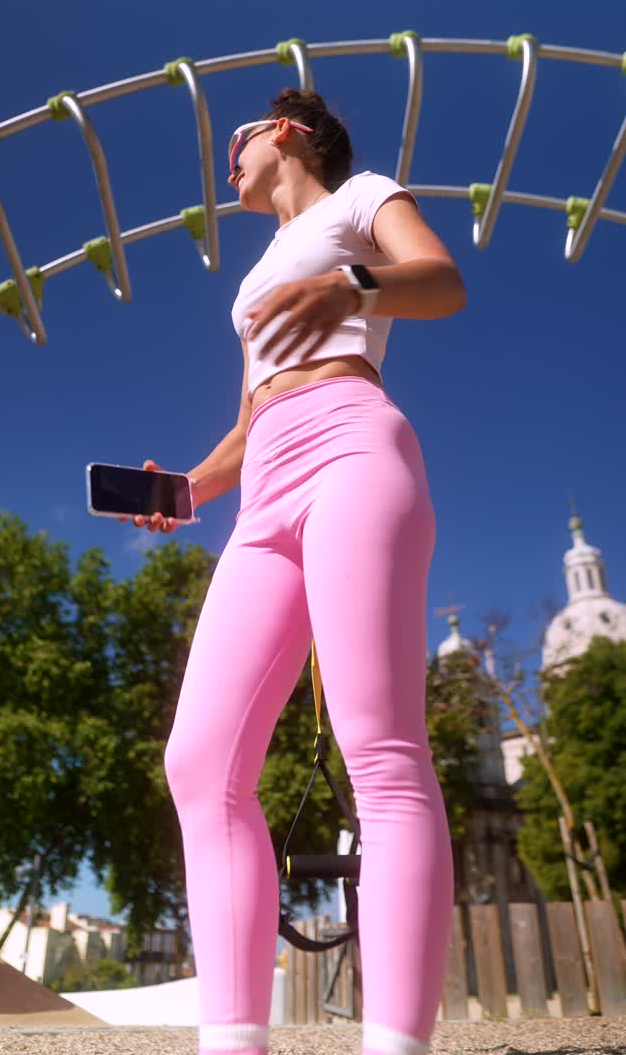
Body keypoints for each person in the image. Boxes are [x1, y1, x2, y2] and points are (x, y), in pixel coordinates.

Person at [135, 88, 467, 1055]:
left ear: (285, 129)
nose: (224, 161)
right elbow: (249, 422)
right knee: (199, 763)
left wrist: (354, 290)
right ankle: (234, 1043)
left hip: (354, 448)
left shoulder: (361, 194)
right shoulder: (255, 277)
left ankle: (395, 1044)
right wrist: (186, 490)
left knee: (382, 751)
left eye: (234, 140)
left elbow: (440, 281)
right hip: (264, 491)